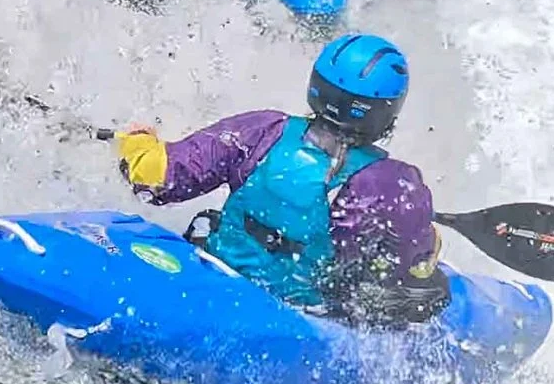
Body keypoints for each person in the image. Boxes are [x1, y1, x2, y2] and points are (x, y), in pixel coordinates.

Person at [111, 34, 450, 327]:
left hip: (217, 275)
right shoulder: (391, 183)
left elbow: (158, 178)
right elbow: (409, 267)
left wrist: (138, 141)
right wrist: (430, 239)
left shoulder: (262, 129)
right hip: (298, 317)